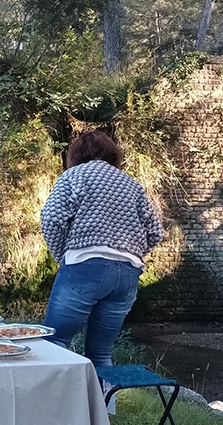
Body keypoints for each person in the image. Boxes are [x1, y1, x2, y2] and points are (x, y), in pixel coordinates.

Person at [39, 130, 164, 368]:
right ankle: (104, 406)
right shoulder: (131, 185)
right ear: (112, 155)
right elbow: (156, 231)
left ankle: (55, 405)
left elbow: (52, 218)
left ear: (75, 155)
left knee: (54, 343)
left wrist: (62, 255)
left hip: (85, 265)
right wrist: (131, 253)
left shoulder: (73, 176)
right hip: (127, 274)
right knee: (100, 354)